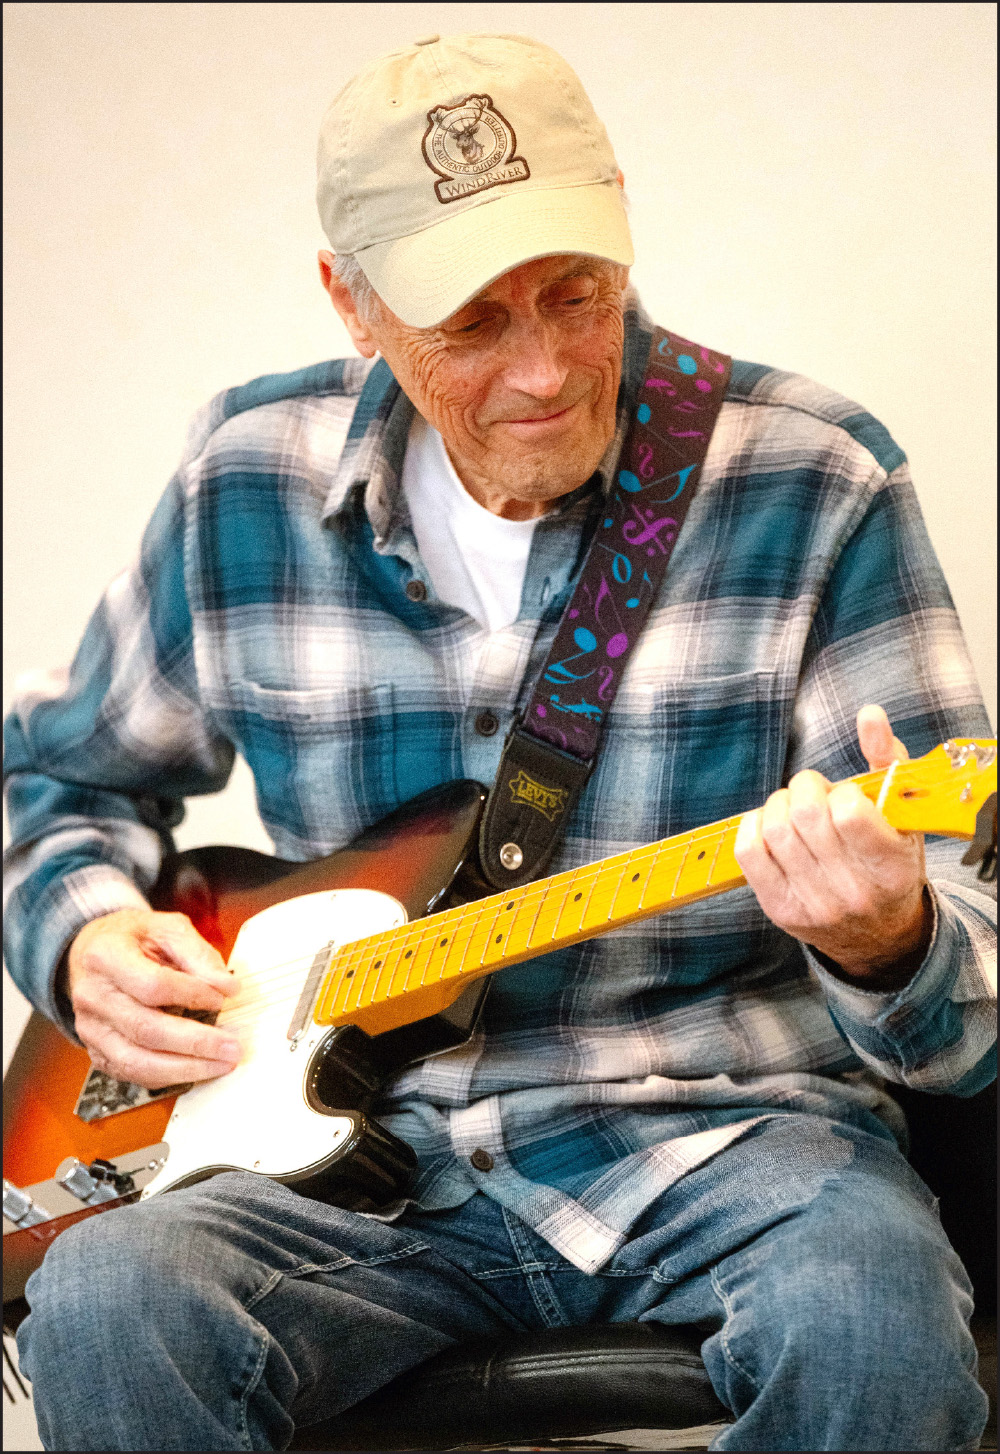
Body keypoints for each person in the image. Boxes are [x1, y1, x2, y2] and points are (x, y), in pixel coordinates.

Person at [4, 32, 995, 1454]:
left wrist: (889, 936)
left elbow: (971, 960)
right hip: (345, 1164)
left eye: (576, 293)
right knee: (108, 1303)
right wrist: (86, 936)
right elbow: (59, 778)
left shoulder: (816, 477)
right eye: (472, 323)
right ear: (352, 302)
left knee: (874, 1319)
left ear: (623, 221)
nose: (544, 371)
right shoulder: (243, 478)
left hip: (731, 1136)